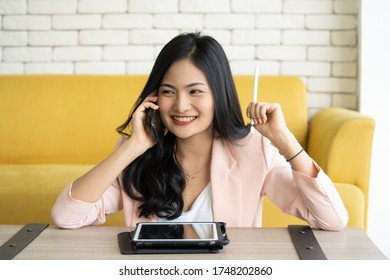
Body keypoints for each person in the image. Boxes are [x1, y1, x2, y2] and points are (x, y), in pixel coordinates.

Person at [51, 32, 348, 230]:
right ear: (154, 97)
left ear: (218, 95)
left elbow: (333, 220)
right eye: (168, 91)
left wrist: (284, 140)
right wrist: (131, 147)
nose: (181, 106)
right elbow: (65, 216)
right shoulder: (140, 156)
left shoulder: (252, 151)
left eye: (195, 91)